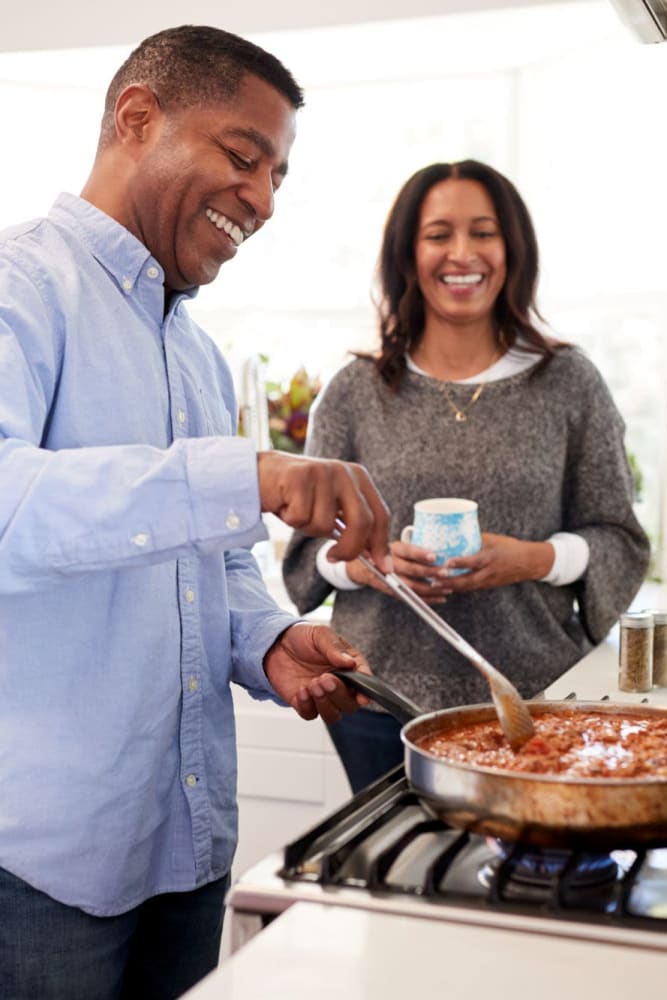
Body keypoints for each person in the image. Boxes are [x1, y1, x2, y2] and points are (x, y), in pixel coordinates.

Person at [0, 25, 392, 1000]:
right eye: (242, 156)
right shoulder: (22, 289)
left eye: (276, 178)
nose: (260, 199)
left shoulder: (199, 355)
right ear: (138, 117)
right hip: (41, 865)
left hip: (185, 843)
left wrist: (265, 644)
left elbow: (211, 566)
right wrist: (245, 478)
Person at [283, 159, 651, 794]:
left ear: (512, 249)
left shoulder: (569, 383)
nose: (462, 253)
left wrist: (531, 559)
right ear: (408, 253)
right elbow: (306, 558)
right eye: (437, 234)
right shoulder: (354, 393)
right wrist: (376, 566)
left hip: (536, 699)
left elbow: (620, 538)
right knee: (396, 878)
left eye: (483, 231)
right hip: (379, 704)